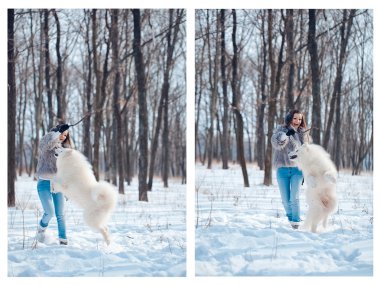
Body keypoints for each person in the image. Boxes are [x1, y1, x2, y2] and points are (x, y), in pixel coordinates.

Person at [271, 110, 310, 229]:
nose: (297, 121)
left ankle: (296, 223)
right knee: (285, 200)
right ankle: (291, 219)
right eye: (295, 118)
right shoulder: (280, 130)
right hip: (282, 170)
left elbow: (306, 150)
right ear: (290, 118)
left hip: (297, 170)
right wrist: (286, 134)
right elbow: (276, 143)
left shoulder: (304, 133)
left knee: (294, 197)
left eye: (300, 119)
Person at [35, 123, 72, 245]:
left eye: (65, 135)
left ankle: (63, 240)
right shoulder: (47, 140)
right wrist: (57, 133)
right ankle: (41, 230)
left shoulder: (63, 149)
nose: (63, 137)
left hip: (58, 184)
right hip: (44, 183)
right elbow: (48, 146)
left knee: (60, 214)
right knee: (49, 212)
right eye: (62, 133)